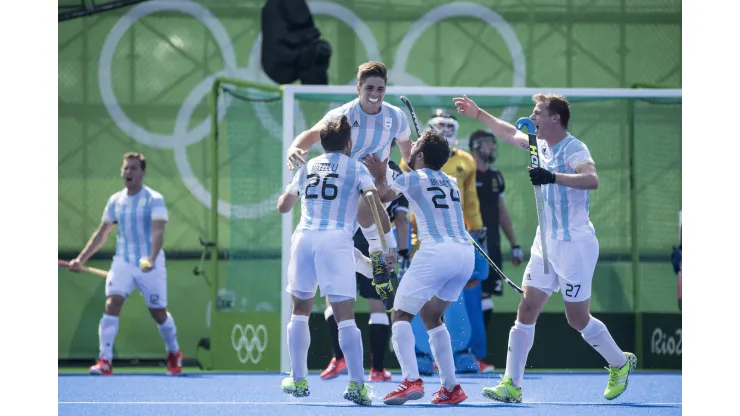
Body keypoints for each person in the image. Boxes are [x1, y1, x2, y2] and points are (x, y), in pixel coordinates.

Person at [453, 93, 637, 402]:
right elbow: (509, 132)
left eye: (538, 112)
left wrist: (552, 177)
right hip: (545, 243)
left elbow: (591, 179)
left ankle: (619, 362)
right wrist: (477, 113)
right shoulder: (537, 145)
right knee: (527, 308)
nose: (533, 116)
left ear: (555, 118)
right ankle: (512, 384)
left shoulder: (574, 148)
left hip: (575, 245)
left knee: (577, 318)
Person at [285, 61, 413, 304]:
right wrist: (293, 148)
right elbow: (310, 136)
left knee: (374, 199)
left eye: (380, 89)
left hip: (375, 183)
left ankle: (379, 259)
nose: (375, 94)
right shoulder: (341, 115)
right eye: (370, 88)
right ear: (358, 88)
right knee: (337, 247)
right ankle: (374, 269)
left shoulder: (396, 117)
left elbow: (408, 156)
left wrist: (421, 164)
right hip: (345, 187)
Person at [365, 130, 475, 406]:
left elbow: (382, 196)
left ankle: (410, 379)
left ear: (421, 155)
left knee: (400, 314)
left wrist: (380, 173)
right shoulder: (450, 180)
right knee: (431, 315)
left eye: (414, 147)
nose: (409, 149)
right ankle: (451, 387)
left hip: (436, 253)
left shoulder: (413, 178)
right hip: (464, 255)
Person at [276, 116, 376, 405]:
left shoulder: (307, 167)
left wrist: (286, 192)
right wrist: (384, 247)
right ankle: (357, 385)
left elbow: (284, 206)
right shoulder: (356, 167)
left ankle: (297, 379)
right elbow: (372, 201)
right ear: (348, 143)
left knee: (300, 310)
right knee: (345, 314)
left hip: (305, 238)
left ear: (322, 142)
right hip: (336, 240)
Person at [66, 152, 182, 376]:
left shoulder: (154, 199)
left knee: (159, 313)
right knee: (113, 303)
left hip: (151, 263)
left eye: (133, 168)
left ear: (143, 172)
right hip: (123, 262)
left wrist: (151, 258)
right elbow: (102, 233)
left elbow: (158, 234)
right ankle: (105, 360)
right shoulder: (115, 201)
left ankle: (174, 352)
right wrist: (81, 259)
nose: (128, 172)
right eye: (126, 168)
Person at [400, 109, 493, 374]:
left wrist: (478, 230)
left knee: (453, 301)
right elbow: (404, 206)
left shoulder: (465, 161)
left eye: (449, 125)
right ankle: (422, 355)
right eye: (440, 126)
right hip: (423, 240)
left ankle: (460, 352)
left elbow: (471, 201)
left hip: (456, 237)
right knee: (422, 300)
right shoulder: (410, 163)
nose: (446, 131)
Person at [320, 155, 410, 382]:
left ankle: (338, 357)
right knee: (378, 306)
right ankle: (377, 370)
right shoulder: (396, 173)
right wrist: (401, 252)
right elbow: (400, 219)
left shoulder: (350, 165)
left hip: (345, 235)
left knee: (335, 299)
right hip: (377, 239)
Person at [469, 129, 524, 353]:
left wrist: (514, 244)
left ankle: (476, 351)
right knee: (465, 296)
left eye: (493, 143)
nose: (492, 147)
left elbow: (502, 213)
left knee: (486, 296)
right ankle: (460, 351)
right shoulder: (465, 173)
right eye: (487, 143)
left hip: (491, 245)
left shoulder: (495, 176)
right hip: (469, 244)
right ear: (475, 145)